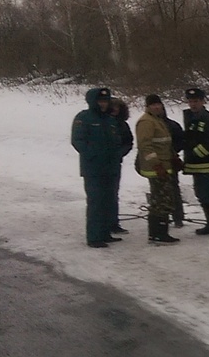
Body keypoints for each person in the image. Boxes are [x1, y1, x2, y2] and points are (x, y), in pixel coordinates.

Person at [69, 87, 125, 248]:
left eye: (106, 101)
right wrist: (94, 154)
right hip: (94, 168)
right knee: (96, 202)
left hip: (111, 167)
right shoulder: (84, 118)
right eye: (100, 101)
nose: (103, 104)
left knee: (109, 201)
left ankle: (105, 233)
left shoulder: (110, 119)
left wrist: (116, 155)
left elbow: (117, 141)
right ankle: (94, 236)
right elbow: (78, 141)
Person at [134, 94, 179, 244]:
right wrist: (156, 164)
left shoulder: (158, 120)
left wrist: (174, 157)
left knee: (162, 199)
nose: (157, 107)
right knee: (161, 201)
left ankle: (158, 233)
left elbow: (164, 144)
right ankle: (158, 234)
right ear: (147, 107)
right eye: (153, 105)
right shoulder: (146, 122)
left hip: (165, 166)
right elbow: (145, 146)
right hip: (156, 168)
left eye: (158, 104)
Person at [182, 87, 209, 235]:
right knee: (200, 194)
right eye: (190, 101)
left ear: (202, 101)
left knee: (207, 194)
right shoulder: (190, 117)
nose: (193, 104)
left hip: (207, 163)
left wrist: (195, 153)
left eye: (196, 101)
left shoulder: (208, 118)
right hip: (196, 164)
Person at [108, 98, 134, 235]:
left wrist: (119, 154)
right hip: (99, 163)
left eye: (118, 107)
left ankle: (113, 222)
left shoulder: (122, 125)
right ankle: (104, 222)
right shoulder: (103, 121)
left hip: (115, 162)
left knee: (113, 193)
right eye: (113, 106)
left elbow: (128, 142)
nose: (115, 109)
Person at [164, 110, 187, 228]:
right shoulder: (149, 124)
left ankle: (177, 217)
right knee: (160, 191)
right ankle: (164, 217)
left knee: (173, 189)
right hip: (158, 162)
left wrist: (172, 152)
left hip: (171, 161)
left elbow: (181, 141)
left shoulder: (172, 125)